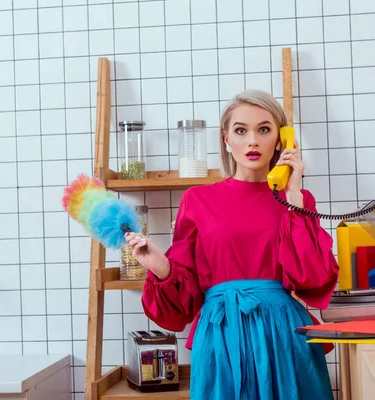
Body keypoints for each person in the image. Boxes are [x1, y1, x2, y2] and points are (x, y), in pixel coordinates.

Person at [124, 89, 339, 400]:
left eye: (263, 129)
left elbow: (313, 278)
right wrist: (161, 267)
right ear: (226, 138)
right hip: (221, 334)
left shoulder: (298, 201)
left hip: (283, 334)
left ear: (281, 138)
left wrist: (294, 196)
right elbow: (182, 304)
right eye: (241, 130)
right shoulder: (197, 200)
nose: (252, 140)